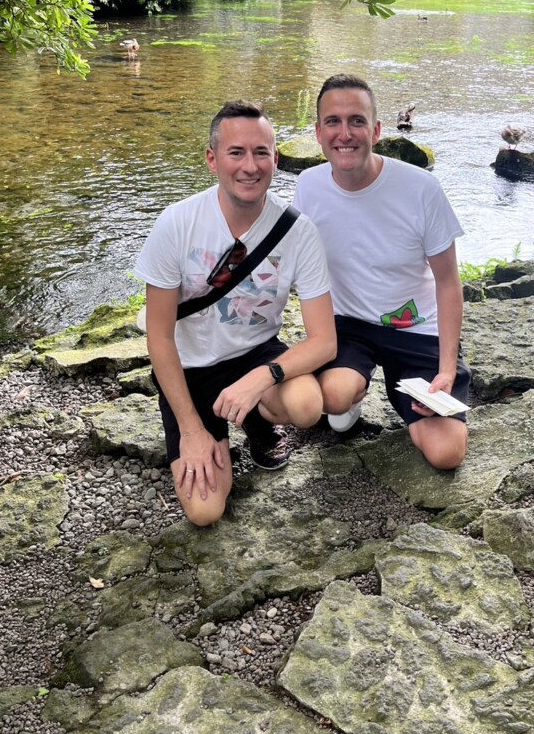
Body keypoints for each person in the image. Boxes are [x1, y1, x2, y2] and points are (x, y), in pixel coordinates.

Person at [135, 100, 336, 526]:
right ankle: (208, 427)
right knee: (205, 512)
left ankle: (259, 425)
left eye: (261, 152)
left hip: (254, 355)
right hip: (190, 367)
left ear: (275, 160)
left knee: (305, 405)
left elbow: (324, 341)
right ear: (212, 159)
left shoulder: (298, 231)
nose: (250, 166)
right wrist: (191, 431)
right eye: (236, 152)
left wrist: (260, 378)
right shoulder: (177, 224)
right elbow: (159, 337)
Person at [294, 74, 469, 470]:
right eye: (333, 122)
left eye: (357, 121)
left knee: (447, 455)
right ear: (318, 132)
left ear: (375, 130)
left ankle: (405, 394)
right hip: (350, 326)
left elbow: (448, 282)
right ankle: (351, 403)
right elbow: (302, 271)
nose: (345, 133)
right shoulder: (308, 185)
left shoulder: (421, 189)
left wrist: (444, 370)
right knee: (336, 395)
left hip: (417, 329)